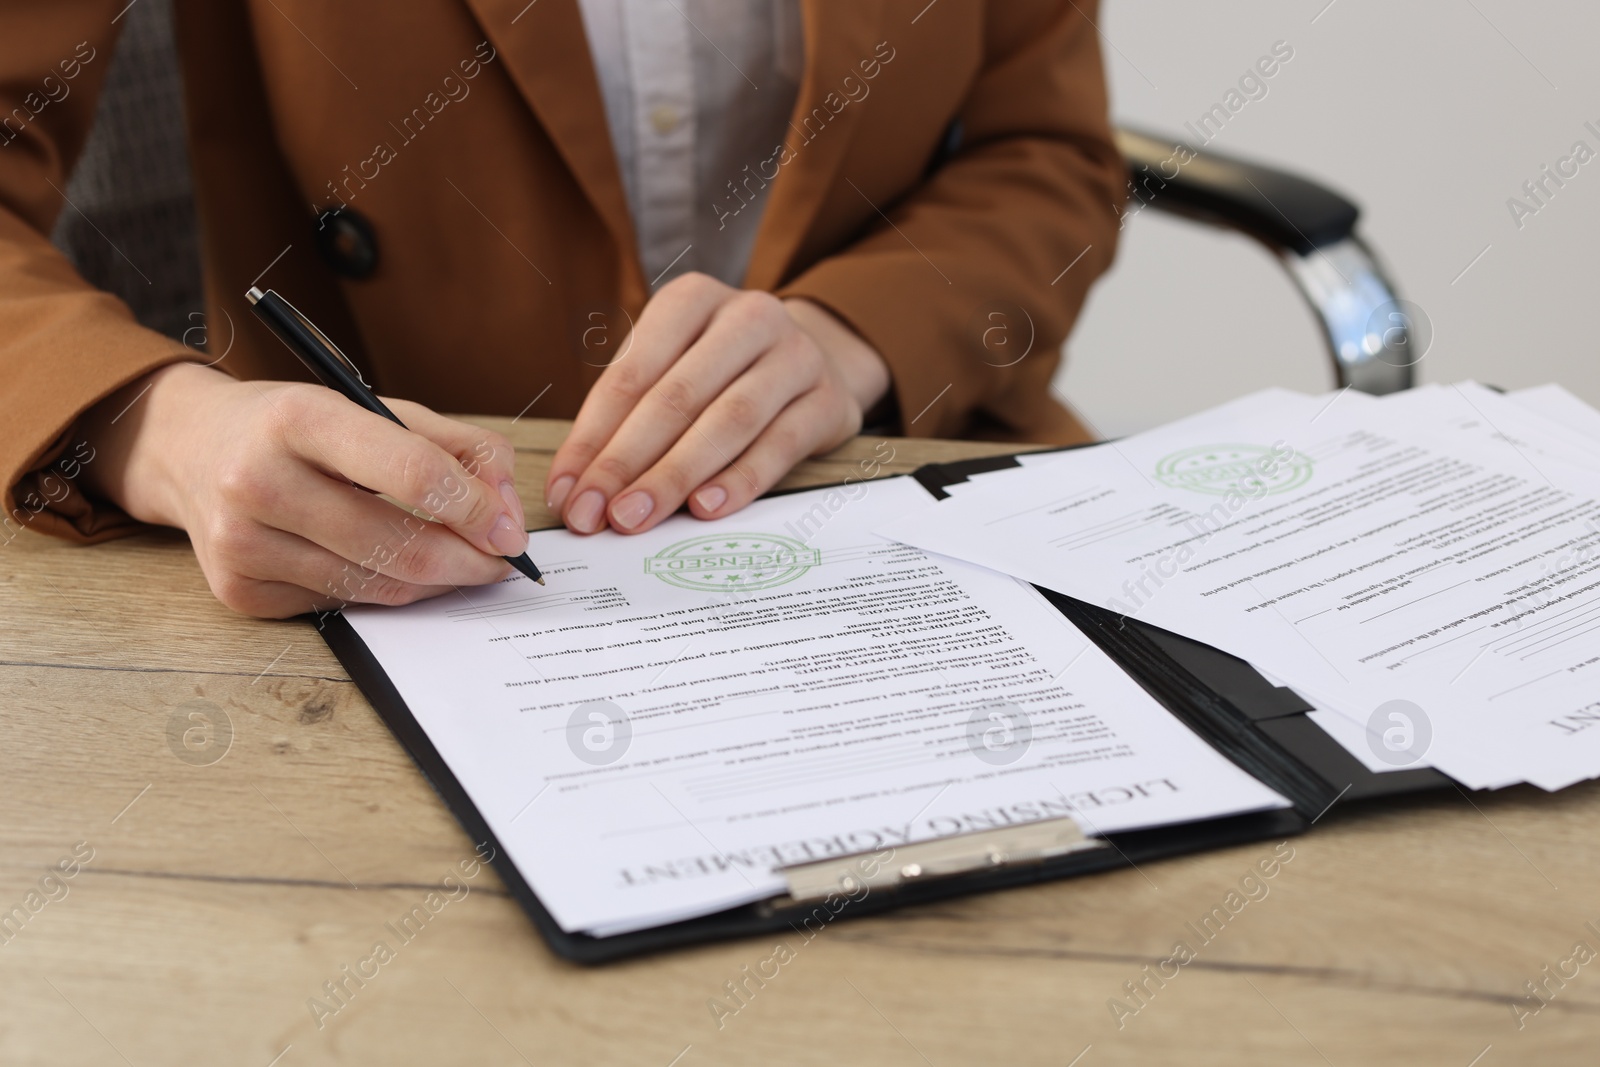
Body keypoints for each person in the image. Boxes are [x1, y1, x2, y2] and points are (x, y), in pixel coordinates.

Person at [0, 0, 1122, 617]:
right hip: (386, 559)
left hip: (916, 490)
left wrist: (855, 333)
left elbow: (1049, 154)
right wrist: (164, 426)